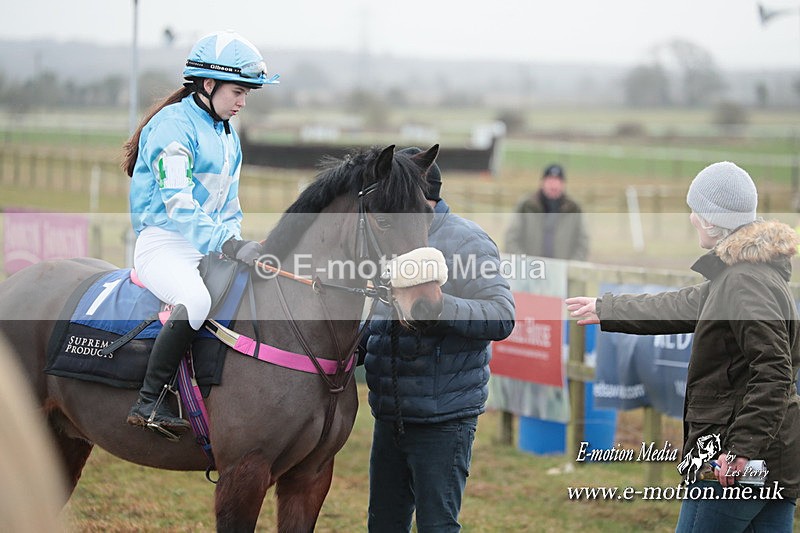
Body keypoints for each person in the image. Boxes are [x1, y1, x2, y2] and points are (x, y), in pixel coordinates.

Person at [567, 161, 800, 532]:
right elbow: (677, 304)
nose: (691, 219)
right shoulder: (747, 275)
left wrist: (740, 450)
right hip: (771, 461)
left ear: (712, 220)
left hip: (730, 464)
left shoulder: (743, 283)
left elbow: (774, 371)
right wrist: (606, 308)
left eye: (696, 210)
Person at [122, 30, 278, 438]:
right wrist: (225, 243)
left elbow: (229, 209)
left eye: (248, 93)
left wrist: (236, 243)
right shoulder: (172, 128)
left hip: (205, 245)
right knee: (194, 299)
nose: (243, 101)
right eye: (238, 92)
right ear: (208, 85)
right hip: (163, 242)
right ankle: (149, 400)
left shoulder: (228, 135)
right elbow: (179, 204)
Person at [361, 148, 516, 532]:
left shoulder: (467, 242)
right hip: (391, 414)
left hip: (443, 418)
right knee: (383, 525)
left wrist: (440, 307)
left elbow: (501, 315)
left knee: (437, 526)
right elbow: (382, 317)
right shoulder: (393, 236)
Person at [505, 163, 588, 260]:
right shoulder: (526, 206)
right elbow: (512, 238)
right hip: (531, 270)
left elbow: (582, 242)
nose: (553, 185)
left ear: (563, 184)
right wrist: (525, 264)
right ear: (542, 182)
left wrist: (571, 266)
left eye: (557, 181)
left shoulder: (573, 208)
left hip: (562, 271)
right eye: (550, 180)